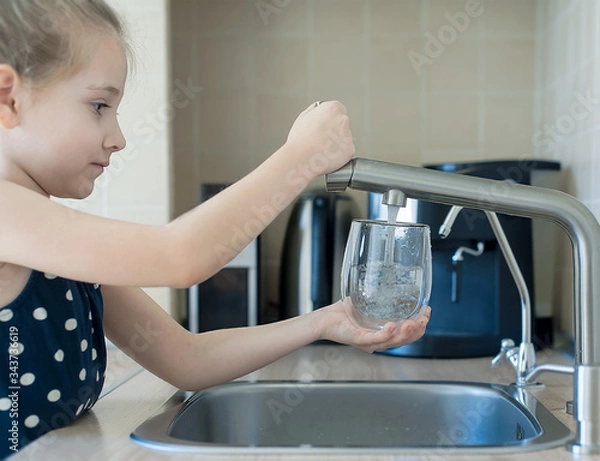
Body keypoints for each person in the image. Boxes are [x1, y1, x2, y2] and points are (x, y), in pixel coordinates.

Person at [0, 0, 430, 457]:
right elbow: (180, 257)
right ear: (9, 96)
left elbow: (186, 359)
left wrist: (325, 321)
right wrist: (298, 159)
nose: (118, 137)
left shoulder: (63, 251)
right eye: (99, 105)